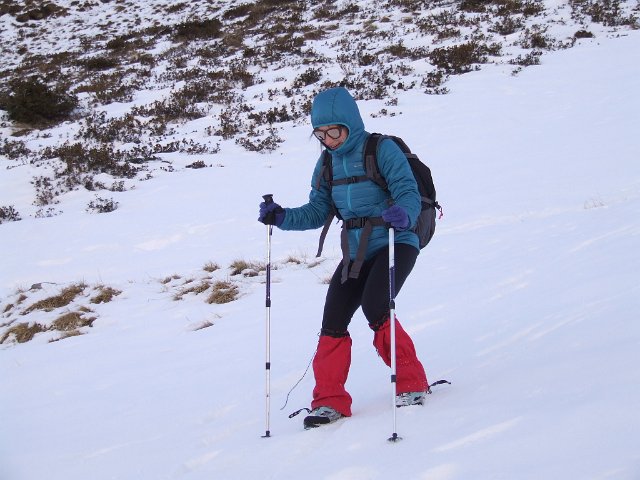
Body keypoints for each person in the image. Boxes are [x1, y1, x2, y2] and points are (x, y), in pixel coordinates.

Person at [258, 87, 428, 429]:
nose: (328, 140)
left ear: (350, 123)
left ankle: (411, 384)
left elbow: (408, 191)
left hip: (398, 240)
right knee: (333, 318)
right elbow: (318, 210)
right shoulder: (326, 165)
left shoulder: (382, 150)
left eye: (333, 131)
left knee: (376, 305)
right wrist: (282, 217)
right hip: (356, 251)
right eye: (320, 134)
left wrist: (405, 214)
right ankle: (329, 401)